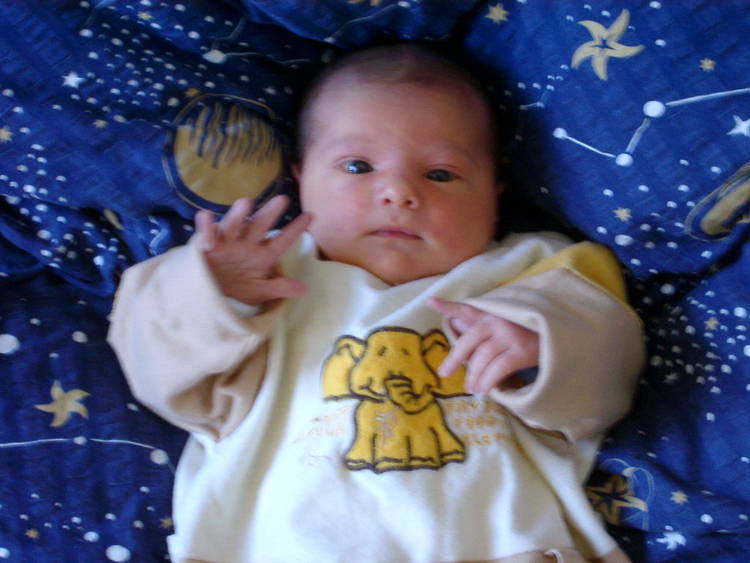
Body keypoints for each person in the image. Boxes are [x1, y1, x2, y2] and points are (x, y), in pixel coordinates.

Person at [108, 44, 645, 563]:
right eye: (358, 166)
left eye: (440, 174)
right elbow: (155, 366)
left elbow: (607, 378)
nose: (398, 192)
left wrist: (538, 345)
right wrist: (209, 292)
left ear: (495, 191)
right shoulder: (268, 281)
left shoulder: (532, 272)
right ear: (300, 176)